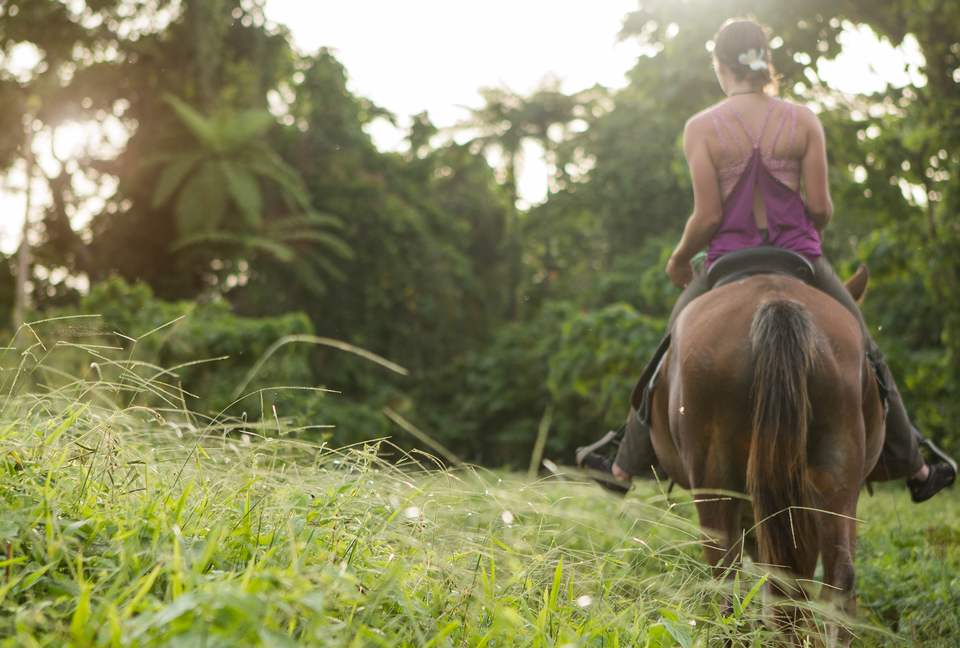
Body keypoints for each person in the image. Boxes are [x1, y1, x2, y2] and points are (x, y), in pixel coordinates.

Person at [576, 18, 956, 502]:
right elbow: (820, 209)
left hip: (728, 263)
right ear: (765, 63)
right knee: (865, 349)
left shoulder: (702, 128)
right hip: (799, 259)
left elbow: (708, 216)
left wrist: (678, 258)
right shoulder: (803, 121)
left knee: (669, 349)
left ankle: (622, 464)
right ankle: (917, 466)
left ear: (720, 66)